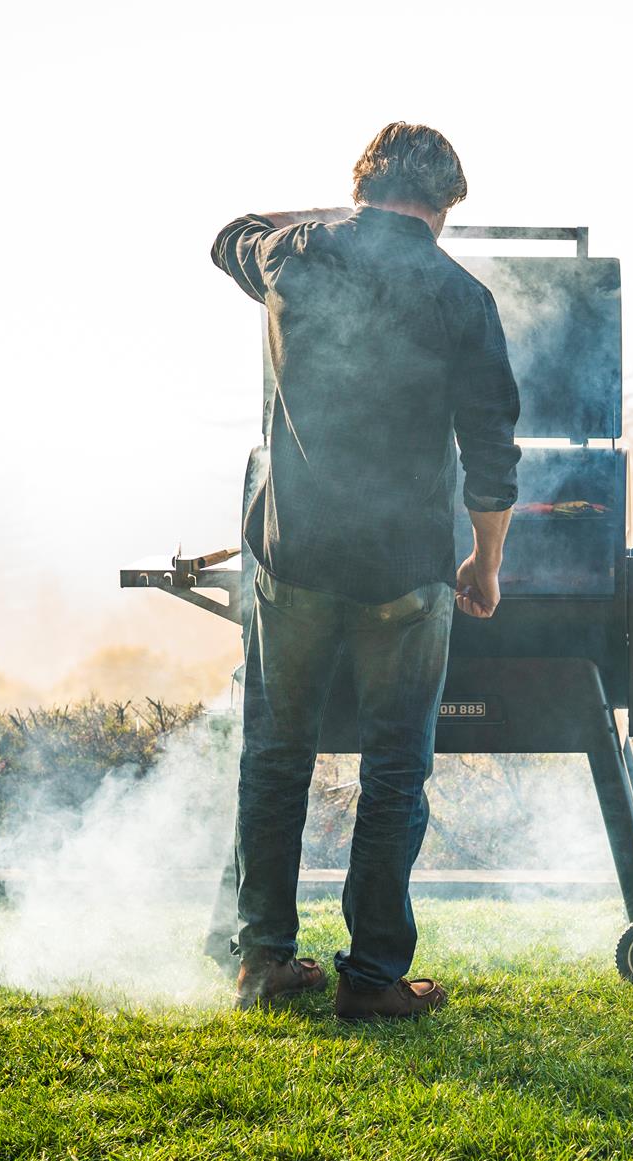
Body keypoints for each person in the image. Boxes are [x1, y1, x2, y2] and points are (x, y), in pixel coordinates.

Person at [209, 122, 521, 1019]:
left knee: (274, 758)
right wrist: (485, 563)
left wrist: (339, 217)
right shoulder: (461, 296)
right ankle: (375, 979)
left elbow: (229, 230)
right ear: (447, 206)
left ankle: (264, 962)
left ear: (363, 185)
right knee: (393, 771)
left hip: (294, 556)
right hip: (404, 573)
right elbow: (492, 454)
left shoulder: (289, 256)